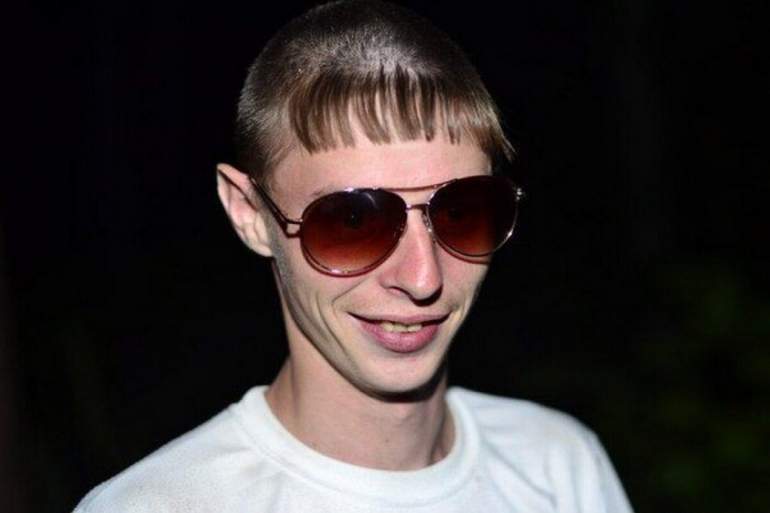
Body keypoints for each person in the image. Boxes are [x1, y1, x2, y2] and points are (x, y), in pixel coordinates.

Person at [74, 1, 634, 511]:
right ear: (250, 213)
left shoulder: (560, 465)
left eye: (460, 212)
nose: (423, 278)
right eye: (352, 221)